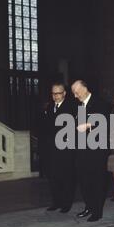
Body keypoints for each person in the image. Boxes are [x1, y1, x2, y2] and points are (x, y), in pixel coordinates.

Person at [72, 80, 109, 222]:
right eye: (74, 93)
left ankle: (97, 211)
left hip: (97, 150)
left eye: (76, 92)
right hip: (82, 150)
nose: (75, 95)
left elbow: (105, 122)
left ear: (84, 88)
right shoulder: (80, 106)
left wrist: (88, 125)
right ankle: (88, 206)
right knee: (84, 180)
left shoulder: (101, 103)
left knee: (97, 180)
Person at [43, 82, 77, 213]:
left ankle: (66, 203)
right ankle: (56, 202)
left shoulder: (71, 106)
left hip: (66, 148)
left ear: (64, 93)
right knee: (54, 176)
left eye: (58, 93)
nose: (55, 96)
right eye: (53, 93)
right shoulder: (50, 107)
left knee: (66, 176)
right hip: (52, 148)